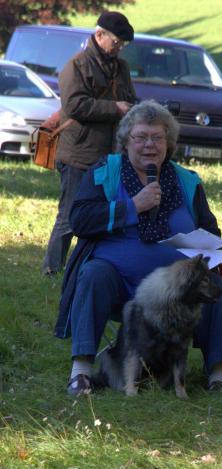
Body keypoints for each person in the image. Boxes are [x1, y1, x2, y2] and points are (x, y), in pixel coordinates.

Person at [54, 100, 222, 395]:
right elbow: (80, 219)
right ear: (126, 141)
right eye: (141, 137)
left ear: (169, 142)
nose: (149, 145)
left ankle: (218, 376)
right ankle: (82, 372)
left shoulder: (187, 181)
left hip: (175, 291)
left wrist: (201, 245)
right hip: (119, 284)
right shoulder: (105, 172)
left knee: (212, 282)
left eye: (157, 137)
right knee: (93, 274)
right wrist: (132, 207)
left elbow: (211, 232)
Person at [42, 11, 136, 276]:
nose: (119, 48)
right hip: (77, 153)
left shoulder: (121, 68)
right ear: (99, 35)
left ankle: (88, 266)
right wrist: (115, 108)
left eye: (123, 44)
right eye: (116, 42)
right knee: (69, 216)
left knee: (103, 216)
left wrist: (131, 108)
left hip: (111, 155)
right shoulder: (77, 65)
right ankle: (51, 268)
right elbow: (73, 106)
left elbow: (129, 97)